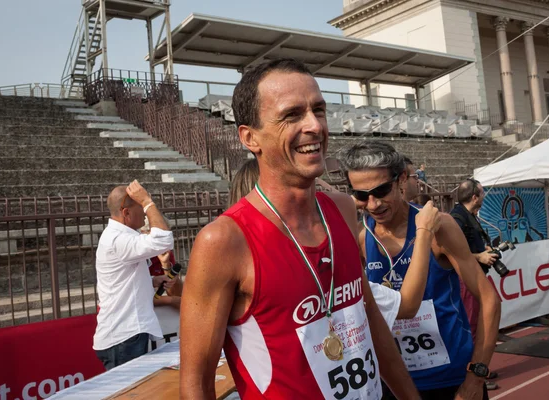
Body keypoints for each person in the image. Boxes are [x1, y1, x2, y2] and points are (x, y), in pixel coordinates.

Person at [179, 58, 420, 399]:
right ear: (250, 137)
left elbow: (369, 318)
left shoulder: (342, 208)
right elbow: (195, 382)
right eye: (292, 115)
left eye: (318, 110)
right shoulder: (224, 241)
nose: (315, 126)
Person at [338, 143, 501, 400]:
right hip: (394, 382)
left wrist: (476, 376)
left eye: (381, 190)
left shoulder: (439, 226)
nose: (373, 203)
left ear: (401, 178)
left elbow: (489, 299)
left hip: (452, 379)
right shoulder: (361, 237)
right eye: (361, 195)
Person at [232, 154, 442, 330]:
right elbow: (406, 307)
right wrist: (423, 232)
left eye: (381, 190)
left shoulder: (242, 266)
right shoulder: (333, 275)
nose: (313, 206)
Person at [93, 180, 174, 370]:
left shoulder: (122, 236)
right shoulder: (118, 239)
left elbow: (124, 277)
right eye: (140, 208)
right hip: (124, 337)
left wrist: (152, 280)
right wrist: (147, 201)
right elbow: (164, 240)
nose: (146, 215)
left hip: (126, 335)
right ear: (126, 213)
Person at [450, 179, 499, 389]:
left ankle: (479, 370)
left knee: (483, 322)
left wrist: (484, 250)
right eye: (482, 193)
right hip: (467, 280)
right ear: (474, 197)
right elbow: (449, 249)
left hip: (475, 278)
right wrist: (479, 257)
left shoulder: (468, 216)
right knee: (472, 327)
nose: (484, 196)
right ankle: (473, 377)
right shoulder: (456, 218)